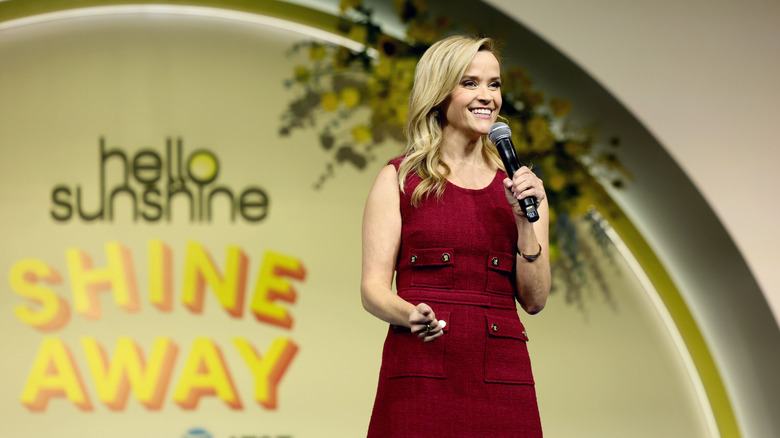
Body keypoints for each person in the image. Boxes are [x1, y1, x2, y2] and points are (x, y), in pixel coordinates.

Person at [361, 35, 551, 437]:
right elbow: (372, 289)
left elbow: (534, 299)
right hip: (419, 373)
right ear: (439, 93)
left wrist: (523, 223)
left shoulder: (523, 189)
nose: (487, 96)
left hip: (502, 378)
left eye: (494, 84)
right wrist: (409, 314)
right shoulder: (398, 180)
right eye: (470, 83)